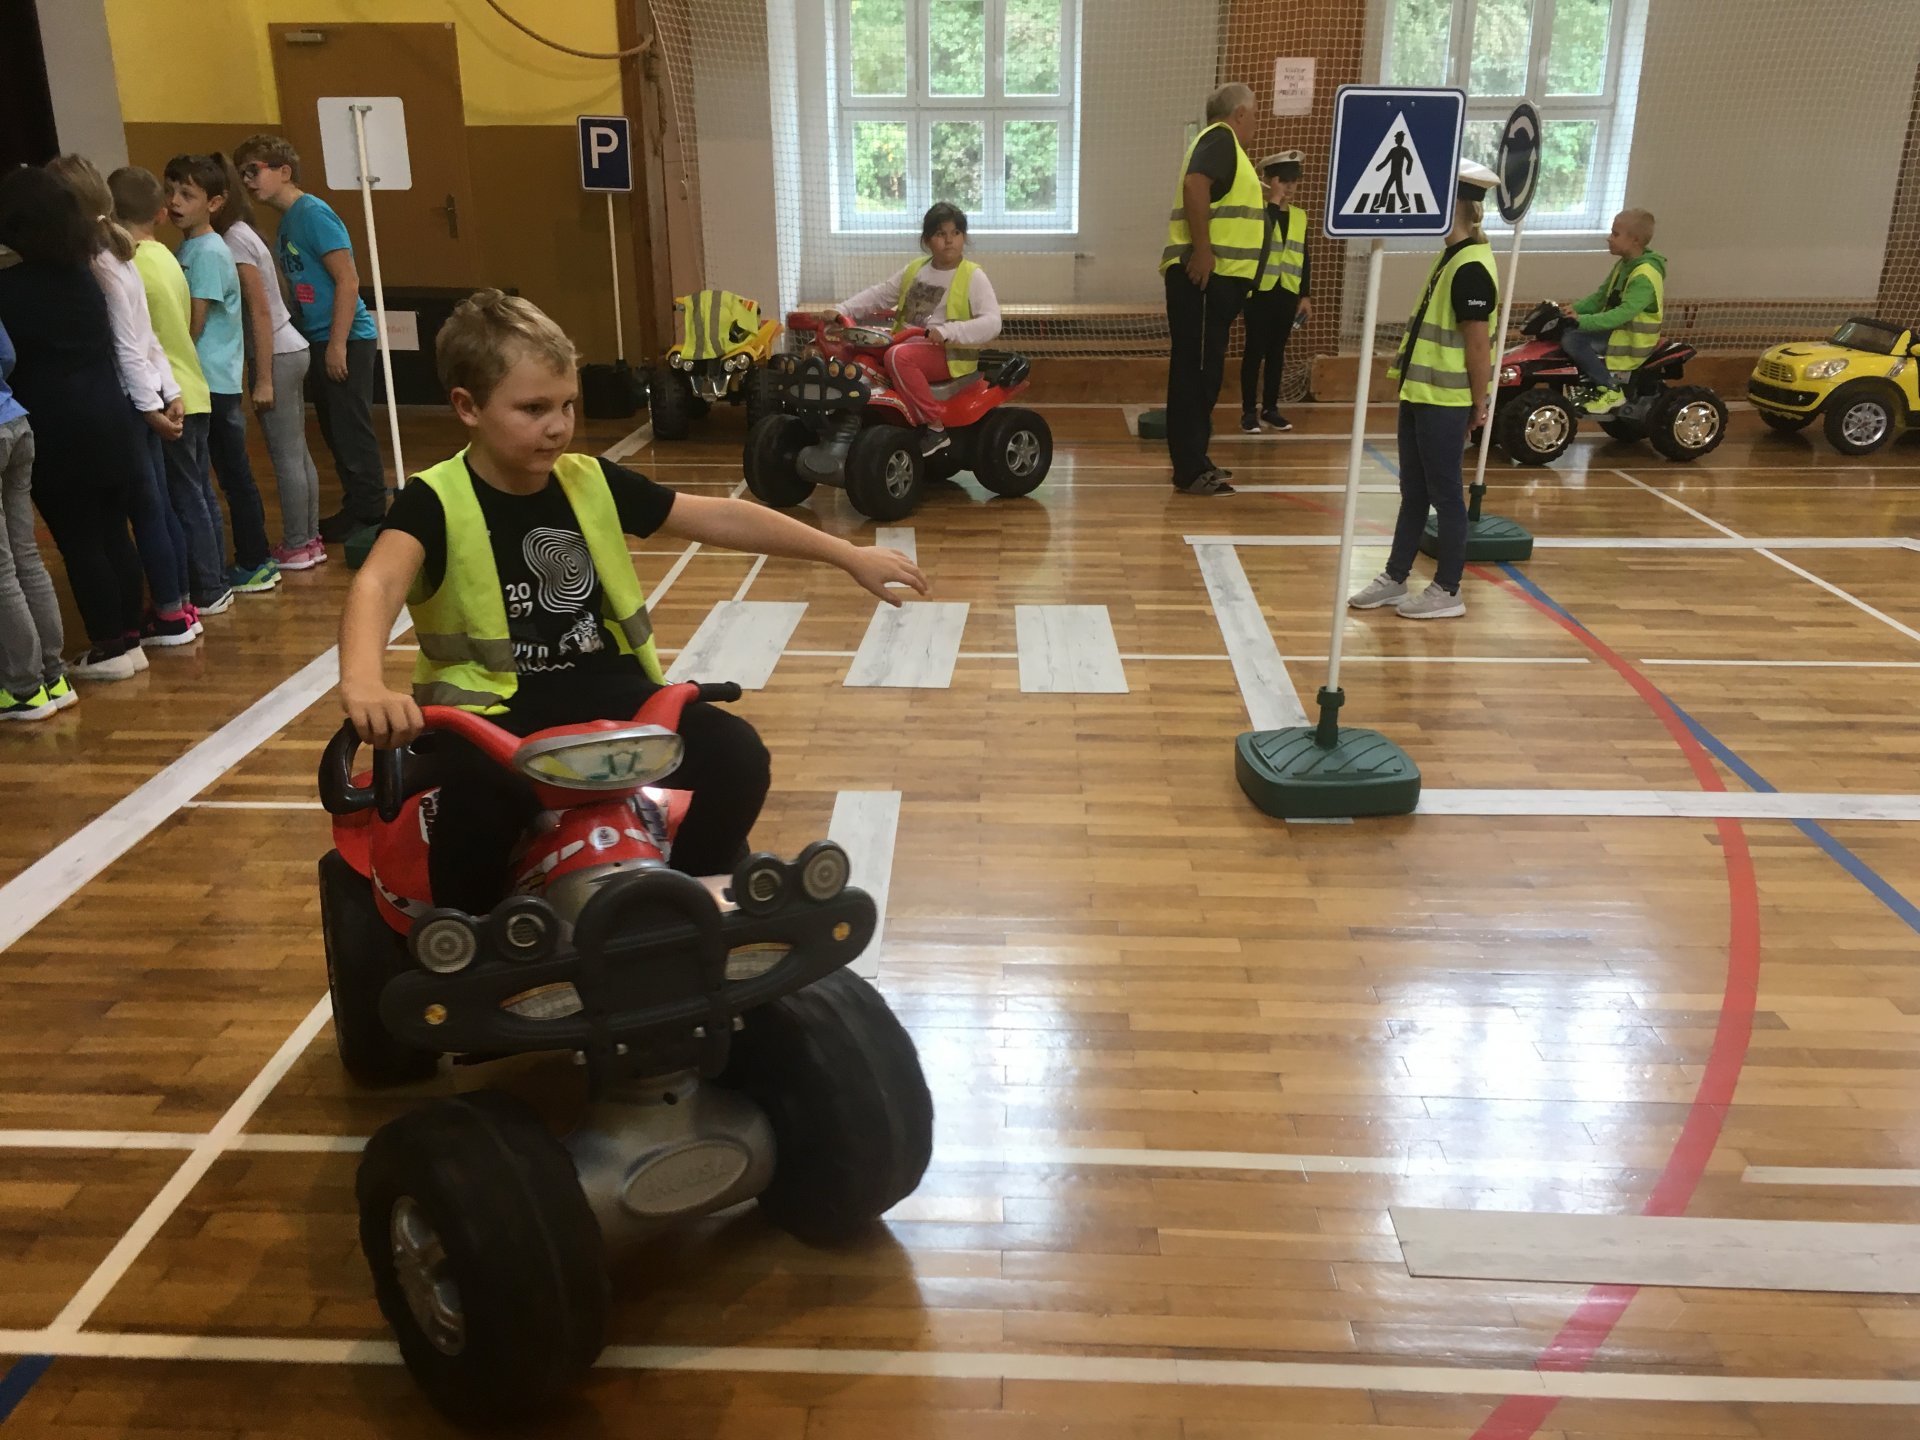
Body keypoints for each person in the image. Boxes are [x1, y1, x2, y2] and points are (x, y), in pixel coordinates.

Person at [338, 291, 928, 914]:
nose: (558, 426)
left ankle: (689, 904)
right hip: (492, 716)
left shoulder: (588, 480)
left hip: (610, 693)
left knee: (737, 759)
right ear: (467, 407)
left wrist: (846, 554)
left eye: (567, 405)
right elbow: (377, 584)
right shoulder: (433, 500)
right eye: (533, 409)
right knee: (475, 811)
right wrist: (364, 683)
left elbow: (721, 517)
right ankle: (474, 942)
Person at [0, 168, 151, 681]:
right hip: (109, 414)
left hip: (59, 425)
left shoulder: (12, 288)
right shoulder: (86, 275)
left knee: (80, 539)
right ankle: (129, 637)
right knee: (114, 531)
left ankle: (108, 646)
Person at [46, 154, 197, 649]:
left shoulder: (100, 262)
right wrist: (169, 390)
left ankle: (170, 612)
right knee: (157, 506)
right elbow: (147, 338)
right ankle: (178, 605)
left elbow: (129, 344)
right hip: (146, 394)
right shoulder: (121, 254)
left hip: (132, 403)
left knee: (147, 510)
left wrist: (152, 407)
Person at [1348, 161, 1500, 622]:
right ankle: (1396, 577)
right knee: (1413, 492)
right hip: (1420, 395)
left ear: (1457, 206)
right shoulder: (1450, 257)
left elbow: (1477, 345)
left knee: (1446, 495)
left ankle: (1448, 588)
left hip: (1445, 403)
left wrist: (1479, 401)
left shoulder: (1471, 267)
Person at [233, 133, 387, 542]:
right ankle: (356, 506)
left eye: (254, 170)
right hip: (318, 338)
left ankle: (372, 513)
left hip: (345, 338)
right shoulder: (287, 223)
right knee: (335, 431)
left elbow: (347, 280)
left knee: (351, 429)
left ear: (284, 171)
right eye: (242, 173)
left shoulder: (314, 214)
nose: (247, 181)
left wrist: (337, 344)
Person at [111, 164, 232, 617]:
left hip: (170, 393)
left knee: (184, 497)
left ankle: (207, 586)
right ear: (159, 213)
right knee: (199, 492)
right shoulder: (166, 255)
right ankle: (216, 581)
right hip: (192, 387)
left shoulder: (133, 265)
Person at [165, 154, 278, 595]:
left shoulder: (210, 251)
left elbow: (194, 322)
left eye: (187, 195)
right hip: (206, 381)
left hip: (214, 382)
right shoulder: (191, 248)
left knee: (233, 475)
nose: (175, 202)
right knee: (219, 477)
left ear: (214, 203)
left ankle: (255, 560)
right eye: (171, 192)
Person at [209, 155, 324, 571]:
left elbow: (259, 311)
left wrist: (262, 380)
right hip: (289, 347)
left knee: (287, 455)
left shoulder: (234, 240)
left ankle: (297, 543)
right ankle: (308, 540)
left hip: (277, 352)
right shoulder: (244, 232)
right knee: (297, 452)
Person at [836, 202, 1002, 457]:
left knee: (898, 357)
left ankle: (935, 428)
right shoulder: (915, 269)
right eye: (941, 234)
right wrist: (842, 310)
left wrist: (948, 332)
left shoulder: (973, 276)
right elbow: (880, 295)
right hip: (904, 341)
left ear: (964, 237)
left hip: (947, 353)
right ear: (927, 240)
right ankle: (848, 415)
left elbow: (992, 322)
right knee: (852, 349)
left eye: (956, 233)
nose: (949, 240)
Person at [1161, 82, 1263, 496]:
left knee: (1205, 371)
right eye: (1254, 115)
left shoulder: (1224, 146)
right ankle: (1189, 469)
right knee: (1196, 373)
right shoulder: (1220, 139)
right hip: (1202, 280)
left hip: (1216, 283)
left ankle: (1197, 460)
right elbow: (1195, 185)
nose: (1256, 123)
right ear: (1239, 114)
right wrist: (1203, 252)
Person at [0, 317, 72, 720]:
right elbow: (7, 353)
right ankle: (53, 677)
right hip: (15, 421)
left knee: (2, 569)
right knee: (26, 556)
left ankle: (24, 688)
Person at [1559, 208, 1664, 415]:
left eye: (1615, 234)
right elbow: (1601, 298)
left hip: (1632, 339)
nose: (1609, 238)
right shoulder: (1624, 265)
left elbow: (1623, 313)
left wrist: (1582, 320)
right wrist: (1572, 310)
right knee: (1564, 331)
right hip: (1618, 331)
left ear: (1635, 240)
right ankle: (1583, 386)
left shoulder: (1644, 275)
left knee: (1574, 340)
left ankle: (1610, 389)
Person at [1239, 150, 1314, 434]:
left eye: (1294, 181)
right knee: (1254, 352)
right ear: (1269, 181)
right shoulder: (1258, 212)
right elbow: (1261, 239)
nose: (1290, 187)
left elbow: (1304, 257)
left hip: (1287, 292)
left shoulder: (1300, 216)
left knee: (1276, 353)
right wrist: (1273, 202)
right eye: (1283, 180)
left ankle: (1270, 408)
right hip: (1260, 292)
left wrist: (1304, 295)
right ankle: (1248, 411)